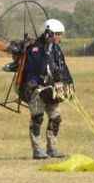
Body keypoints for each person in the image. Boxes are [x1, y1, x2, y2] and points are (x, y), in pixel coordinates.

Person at [20, 19, 75, 160]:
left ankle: (52, 149)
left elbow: (62, 67)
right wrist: (46, 49)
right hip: (36, 90)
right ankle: (37, 150)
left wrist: (69, 84)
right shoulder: (35, 49)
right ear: (48, 33)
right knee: (37, 118)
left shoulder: (56, 49)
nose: (59, 37)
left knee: (56, 118)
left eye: (60, 34)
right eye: (57, 34)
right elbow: (36, 68)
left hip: (52, 91)